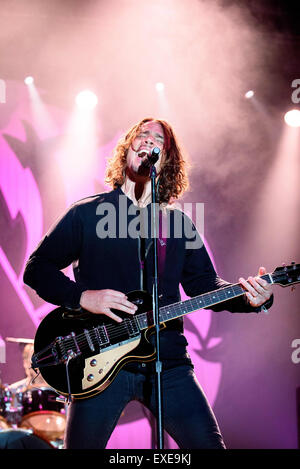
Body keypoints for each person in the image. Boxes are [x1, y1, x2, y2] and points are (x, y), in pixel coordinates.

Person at [23, 117, 273, 449]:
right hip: (99, 359)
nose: (147, 141)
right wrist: (82, 296)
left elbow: (203, 284)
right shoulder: (87, 213)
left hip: (167, 361)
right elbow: (36, 269)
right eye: (141, 135)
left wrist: (250, 298)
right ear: (127, 149)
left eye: (158, 139)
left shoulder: (177, 223)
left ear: (166, 161)